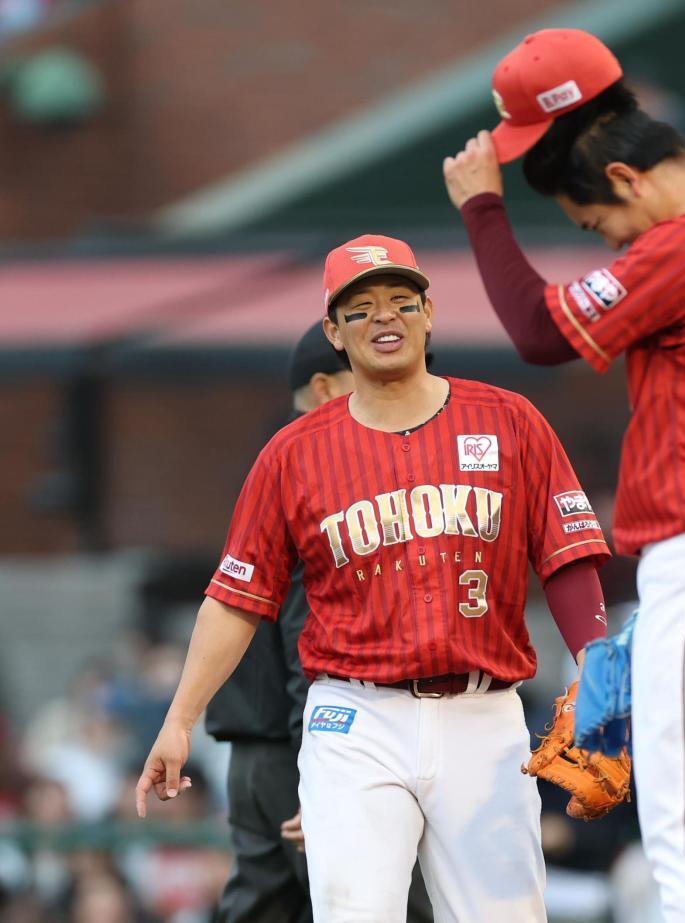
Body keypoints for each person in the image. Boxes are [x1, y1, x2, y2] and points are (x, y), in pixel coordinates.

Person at [443, 28, 685, 922]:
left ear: (622, 178)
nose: (608, 243)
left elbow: (542, 334)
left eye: (597, 226)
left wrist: (483, 212)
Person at [135, 233, 612, 923]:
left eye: (399, 299)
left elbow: (568, 555)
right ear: (333, 331)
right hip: (355, 715)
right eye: (359, 309)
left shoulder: (510, 421)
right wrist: (178, 718)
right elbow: (236, 599)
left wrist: (594, 664)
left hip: (483, 713)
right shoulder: (293, 453)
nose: (383, 317)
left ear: (428, 311)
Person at [204, 322, 353, 923]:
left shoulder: (267, 457)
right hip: (295, 746)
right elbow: (306, 641)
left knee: (263, 910)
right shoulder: (314, 467)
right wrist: (316, 772)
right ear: (323, 387)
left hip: (250, 755)